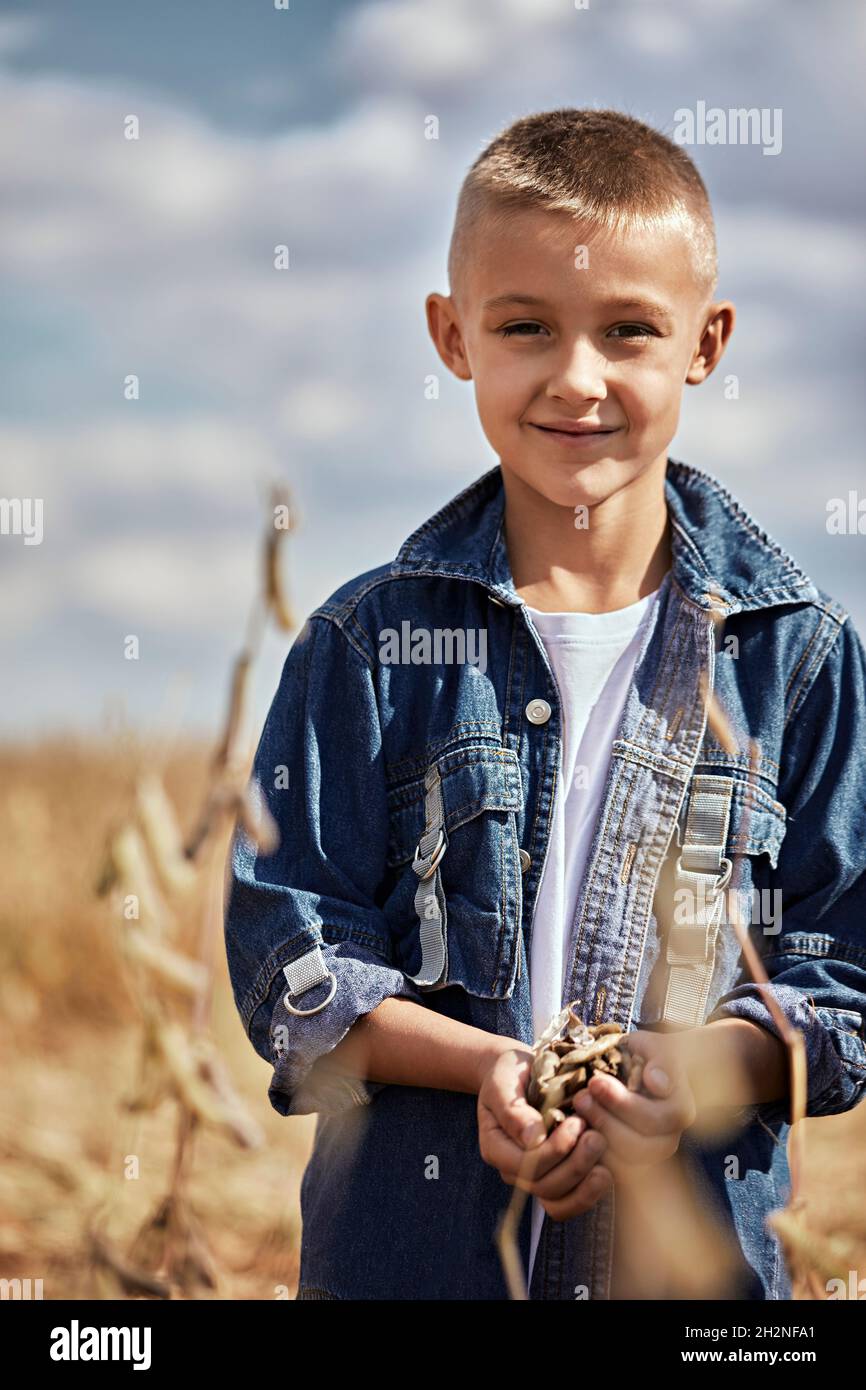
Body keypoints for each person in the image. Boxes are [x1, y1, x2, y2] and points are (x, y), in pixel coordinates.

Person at [223, 108, 866, 1300]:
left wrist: (701, 1070)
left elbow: (839, 981)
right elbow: (289, 957)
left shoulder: (800, 661)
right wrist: (485, 1069)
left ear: (704, 342)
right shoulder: (365, 646)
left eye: (629, 330)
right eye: (524, 327)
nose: (578, 379)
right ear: (452, 334)